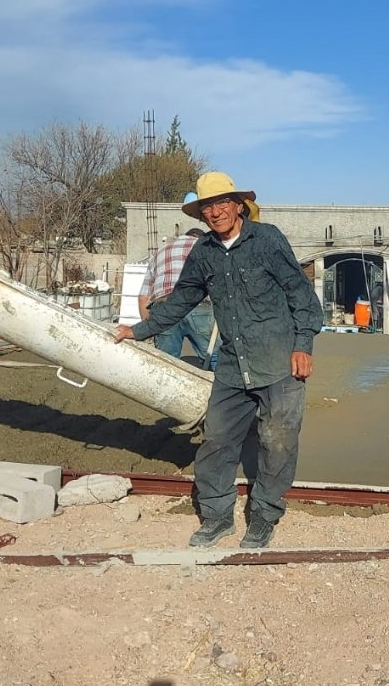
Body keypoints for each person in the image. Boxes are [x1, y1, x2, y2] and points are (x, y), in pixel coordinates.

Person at [115, 172, 322, 549]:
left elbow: (300, 293)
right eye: (207, 206)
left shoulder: (268, 240)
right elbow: (180, 300)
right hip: (232, 366)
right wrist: (137, 330)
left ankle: (263, 517)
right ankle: (217, 518)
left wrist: (303, 344)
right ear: (201, 214)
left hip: (279, 362)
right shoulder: (204, 253)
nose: (216, 211)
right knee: (216, 442)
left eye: (222, 202)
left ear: (238, 204)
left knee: (277, 443)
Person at [137, 225, 214, 364]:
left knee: (167, 363)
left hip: (164, 307)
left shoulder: (159, 252)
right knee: (215, 359)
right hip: (197, 305)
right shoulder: (206, 247)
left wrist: (148, 330)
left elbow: (143, 297)